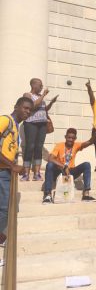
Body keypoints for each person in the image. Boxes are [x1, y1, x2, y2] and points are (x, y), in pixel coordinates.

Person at [0, 97, 33, 246]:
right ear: (16, 106)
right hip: (2, 171)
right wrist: (12, 166)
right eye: (25, 108)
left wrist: (15, 166)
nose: (27, 111)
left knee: (6, 207)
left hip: (6, 172)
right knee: (5, 208)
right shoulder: (5, 120)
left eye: (30, 110)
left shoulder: (15, 128)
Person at [42, 125, 96, 204]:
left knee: (87, 164)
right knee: (49, 165)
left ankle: (86, 194)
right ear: (65, 137)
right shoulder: (59, 145)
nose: (70, 140)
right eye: (69, 137)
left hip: (71, 172)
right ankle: (48, 195)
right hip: (60, 172)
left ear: (75, 139)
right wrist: (64, 166)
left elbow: (89, 142)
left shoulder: (76, 145)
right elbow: (50, 158)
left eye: (73, 138)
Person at [21, 78, 58, 181]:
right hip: (31, 123)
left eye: (42, 86)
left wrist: (51, 103)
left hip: (42, 124)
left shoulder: (40, 97)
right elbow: (33, 106)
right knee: (30, 147)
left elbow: (44, 109)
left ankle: (37, 173)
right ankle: (26, 173)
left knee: (39, 147)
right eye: (40, 85)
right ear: (34, 86)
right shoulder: (27, 95)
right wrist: (43, 95)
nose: (42, 87)